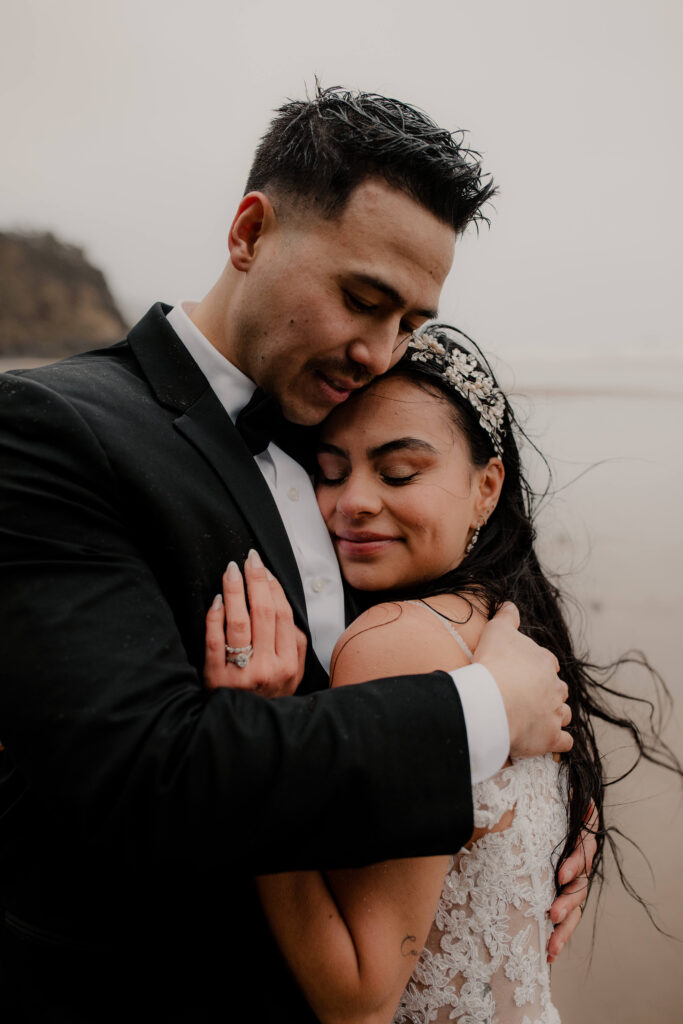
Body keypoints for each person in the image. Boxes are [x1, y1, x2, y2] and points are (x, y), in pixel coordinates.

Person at [0, 87, 586, 1022]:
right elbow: (136, 779)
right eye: (362, 300)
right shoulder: (53, 430)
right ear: (248, 232)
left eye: (409, 324)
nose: (379, 349)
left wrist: (533, 812)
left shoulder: (340, 437)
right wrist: (480, 718)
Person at [205, 324, 681, 1023]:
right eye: (330, 472)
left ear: (486, 487)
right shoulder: (508, 624)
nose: (352, 502)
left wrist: (254, 743)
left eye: (398, 473)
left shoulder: (390, 643)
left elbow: (356, 998)